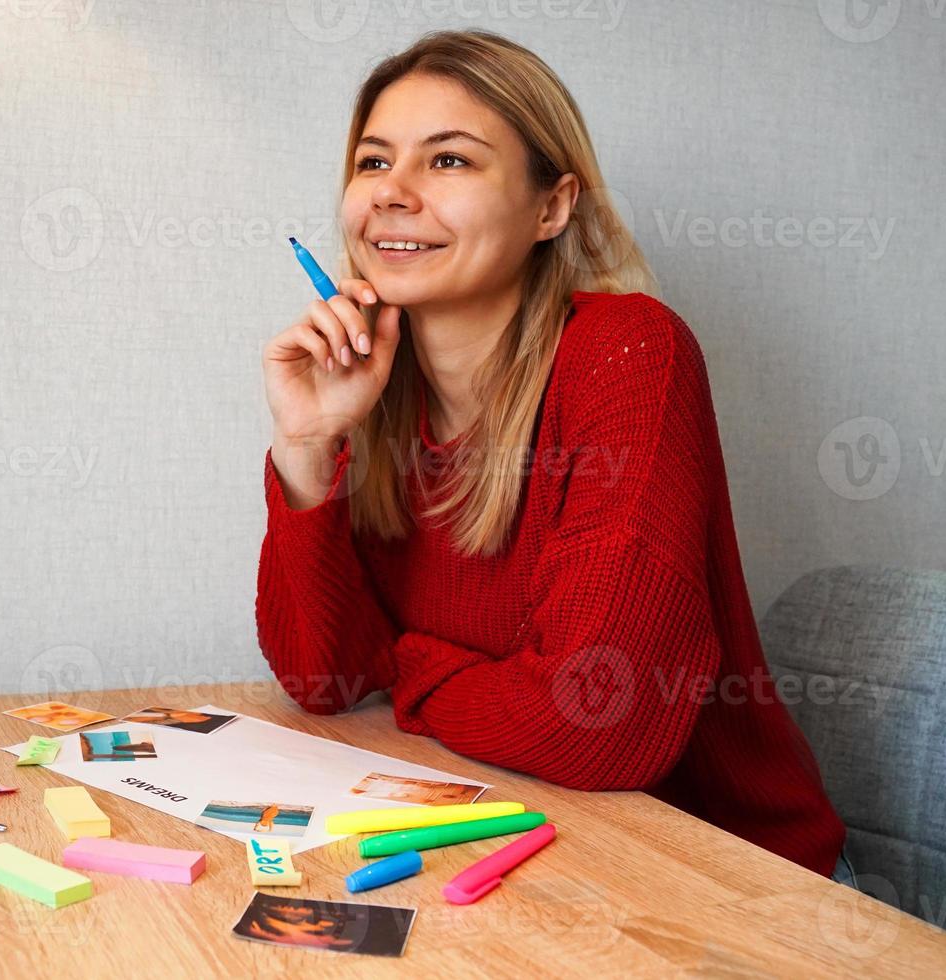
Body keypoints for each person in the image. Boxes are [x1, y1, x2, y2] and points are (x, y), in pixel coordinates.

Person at [255, 29, 848, 878]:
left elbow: (598, 723)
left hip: (731, 883)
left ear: (552, 206)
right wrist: (306, 445)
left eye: (449, 161)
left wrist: (406, 665)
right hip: (540, 855)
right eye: (374, 162)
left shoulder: (631, 354)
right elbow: (324, 678)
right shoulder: (378, 393)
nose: (393, 194)